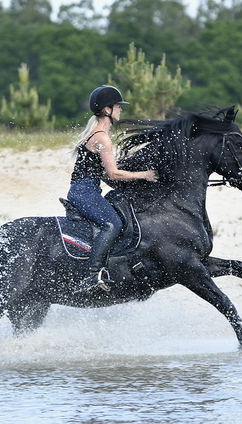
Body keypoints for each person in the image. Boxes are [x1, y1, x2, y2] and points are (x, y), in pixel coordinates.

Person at [68, 85, 158, 292]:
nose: (121, 110)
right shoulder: (102, 137)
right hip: (84, 191)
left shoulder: (97, 134)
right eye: (118, 106)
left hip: (87, 189)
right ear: (107, 110)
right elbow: (113, 173)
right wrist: (145, 175)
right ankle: (92, 275)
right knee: (112, 224)